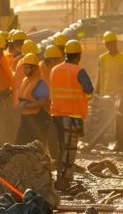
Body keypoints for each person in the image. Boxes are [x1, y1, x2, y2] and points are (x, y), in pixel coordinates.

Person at [49, 40, 94, 190]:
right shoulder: (79, 71)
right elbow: (88, 89)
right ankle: (64, 179)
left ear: (66, 54)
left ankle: (59, 176)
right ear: (79, 56)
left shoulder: (55, 69)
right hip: (72, 116)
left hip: (56, 114)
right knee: (69, 149)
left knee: (61, 146)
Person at [97, 31, 123, 152]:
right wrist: (96, 93)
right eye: (107, 44)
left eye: (111, 43)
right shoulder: (102, 58)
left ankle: (120, 142)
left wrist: (121, 91)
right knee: (101, 118)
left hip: (119, 94)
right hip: (105, 94)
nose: (109, 45)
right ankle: (100, 141)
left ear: (115, 43)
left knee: (121, 119)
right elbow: (99, 76)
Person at [15, 53, 51, 146]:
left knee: (36, 149)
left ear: (34, 68)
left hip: (38, 120)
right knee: (19, 146)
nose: (25, 70)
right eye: (24, 67)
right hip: (25, 120)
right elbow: (23, 98)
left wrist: (26, 106)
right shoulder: (26, 80)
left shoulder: (40, 82)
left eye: (27, 68)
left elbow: (43, 102)